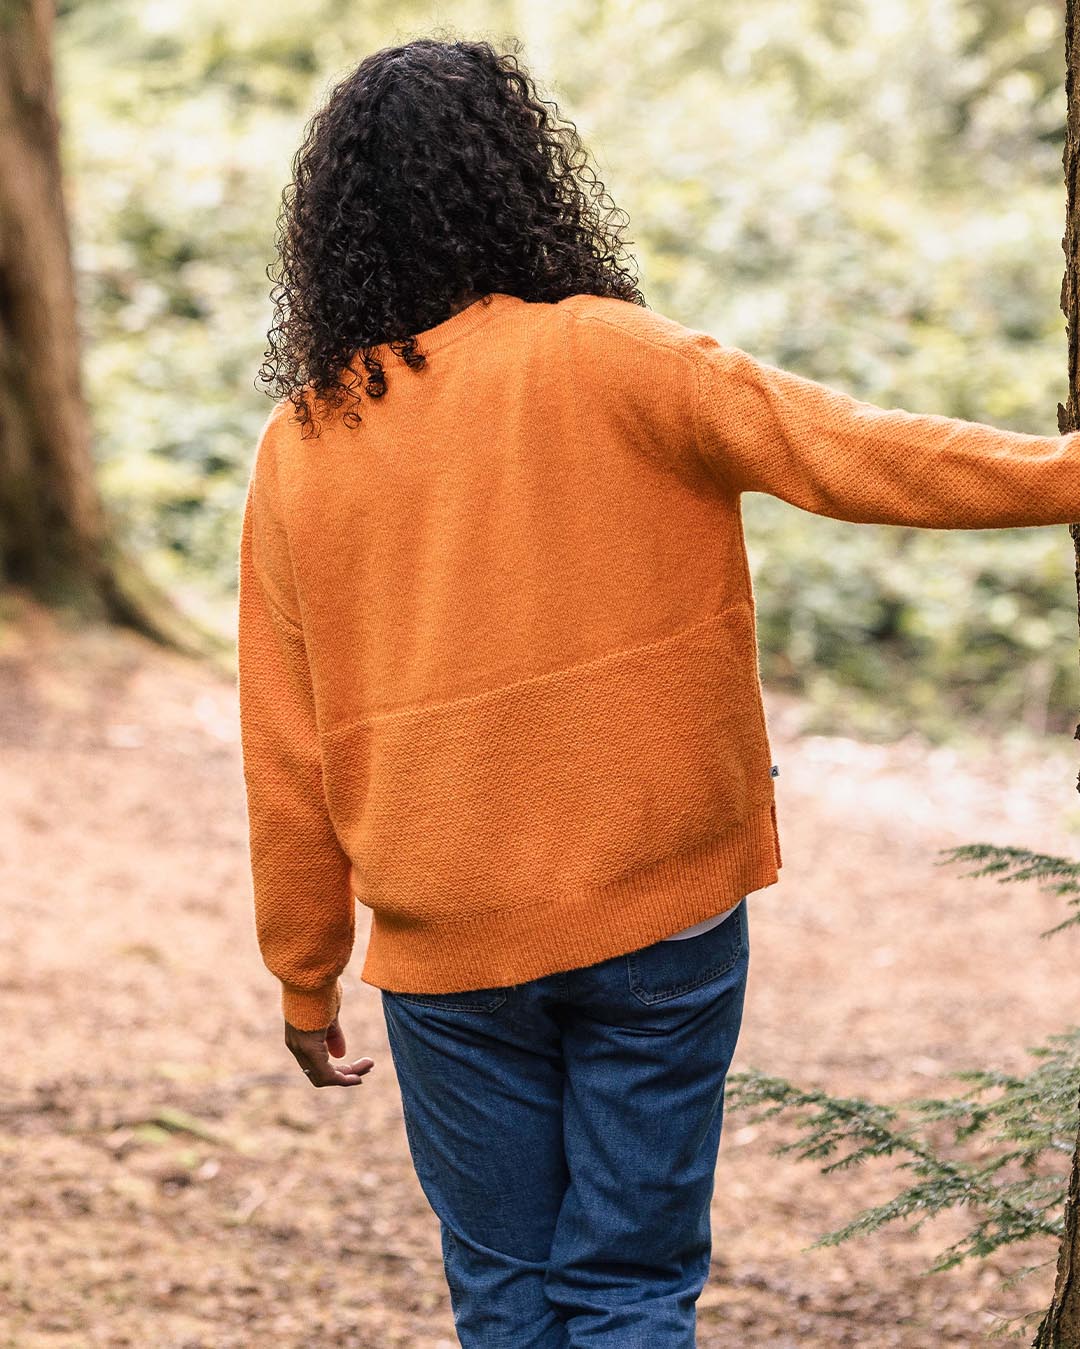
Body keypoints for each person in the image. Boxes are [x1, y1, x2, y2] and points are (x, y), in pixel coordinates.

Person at [235, 34, 1080, 1349]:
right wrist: (1064, 473)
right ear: (522, 180)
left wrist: (304, 972)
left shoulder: (301, 444)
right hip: (655, 911)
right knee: (629, 1286)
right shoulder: (616, 357)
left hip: (448, 938)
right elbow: (850, 452)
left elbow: (284, 747)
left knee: (506, 1295)